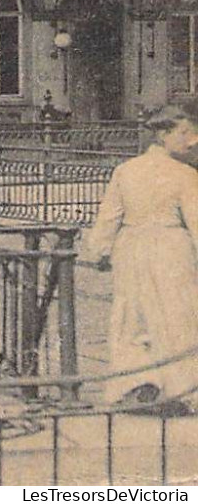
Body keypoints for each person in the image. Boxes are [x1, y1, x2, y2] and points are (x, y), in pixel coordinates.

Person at [80, 98, 198, 415]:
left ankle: (138, 383)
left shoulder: (126, 171)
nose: (192, 140)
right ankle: (177, 387)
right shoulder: (185, 175)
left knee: (133, 315)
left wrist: (101, 249)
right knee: (175, 314)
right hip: (172, 249)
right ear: (163, 135)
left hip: (131, 248)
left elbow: (108, 217)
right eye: (185, 132)